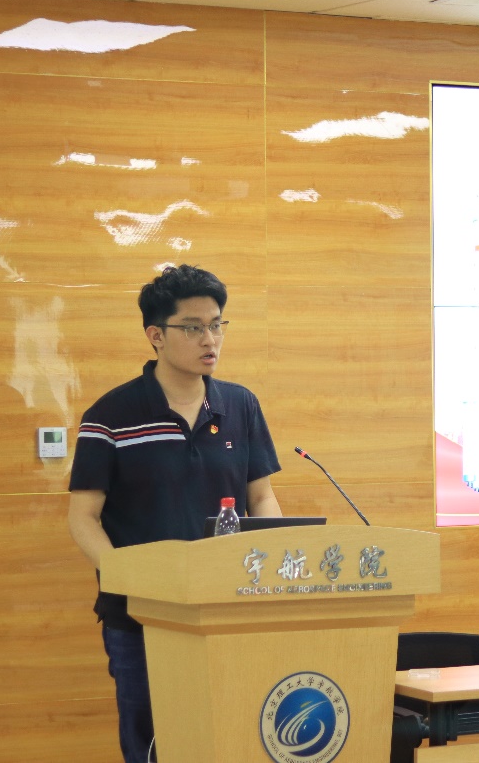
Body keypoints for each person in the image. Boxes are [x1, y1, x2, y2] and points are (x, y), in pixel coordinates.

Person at [67, 264, 283, 763]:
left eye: (217, 325)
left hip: (227, 605)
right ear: (156, 336)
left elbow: (261, 498)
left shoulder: (240, 406)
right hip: (142, 615)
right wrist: (129, 575)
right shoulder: (111, 415)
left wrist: (274, 566)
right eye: (193, 327)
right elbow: (83, 517)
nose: (210, 339)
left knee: (233, 735)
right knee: (152, 742)